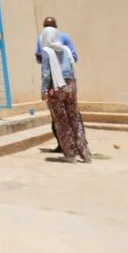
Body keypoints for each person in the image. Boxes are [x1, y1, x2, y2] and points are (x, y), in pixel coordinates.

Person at [39, 25, 92, 163]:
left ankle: (70, 154)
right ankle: (85, 154)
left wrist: (44, 91)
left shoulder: (46, 51)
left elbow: (46, 74)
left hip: (57, 88)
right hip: (71, 86)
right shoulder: (66, 49)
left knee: (62, 121)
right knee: (75, 119)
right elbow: (72, 67)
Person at [34, 16, 79, 153]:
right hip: (68, 82)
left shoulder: (60, 38)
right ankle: (72, 146)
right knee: (68, 114)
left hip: (55, 84)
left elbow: (45, 69)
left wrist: (54, 60)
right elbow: (73, 58)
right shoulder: (42, 39)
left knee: (59, 115)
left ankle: (68, 147)